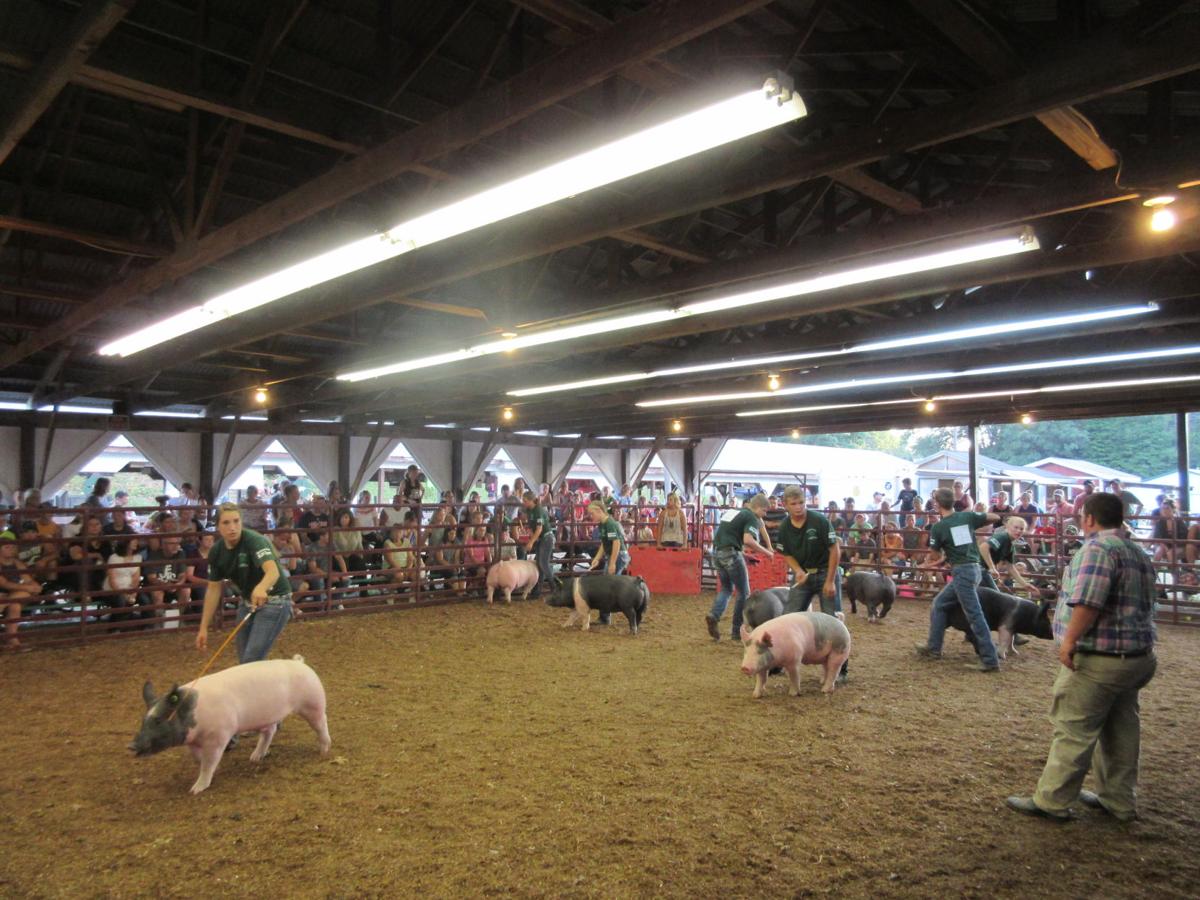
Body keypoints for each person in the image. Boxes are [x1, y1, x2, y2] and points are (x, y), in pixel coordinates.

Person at [1006, 493, 1157, 823]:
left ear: (1089, 518)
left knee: (1073, 726)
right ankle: (1118, 800)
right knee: (1121, 729)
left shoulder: (1097, 549)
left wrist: (1069, 641)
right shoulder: (1137, 550)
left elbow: (1088, 601)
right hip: (1136, 656)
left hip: (1100, 656)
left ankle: (1053, 801)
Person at [914, 487, 1004, 672]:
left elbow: (934, 553)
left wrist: (934, 559)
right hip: (973, 569)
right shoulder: (967, 517)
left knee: (974, 614)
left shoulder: (939, 527)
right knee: (940, 603)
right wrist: (978, 518)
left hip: (962, 572)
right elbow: (995, 518)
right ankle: (933, 647)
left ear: (937, 504)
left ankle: (990, 659)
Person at [198, 502, 292, 663]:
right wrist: (203, 627)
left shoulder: (254, 540)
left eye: (236, 521)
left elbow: (273, 571)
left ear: (241, 522)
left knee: (250, 660)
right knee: (245, 660)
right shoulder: (217, 552)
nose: (232, 527)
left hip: (275, 600)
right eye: (226, 523)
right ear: (218, 526)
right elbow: (213, 589)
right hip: (248, 601)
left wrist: (261, 587)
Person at [704, 493, 773, 642]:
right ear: (759, 508)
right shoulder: (751, 517)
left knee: (726, 589)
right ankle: (736, 631)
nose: (764, 515)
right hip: (731, 554)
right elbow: (748, 540)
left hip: (717, 553)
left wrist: (744, 556)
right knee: (744, 592)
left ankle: (714, 615)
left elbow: (728, 538)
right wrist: (768, 552)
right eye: (765, 511)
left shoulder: (734, 512)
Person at [0, 531, 39, 649]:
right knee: (17, 602)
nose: (10, 549)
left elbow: (28, 579)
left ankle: (12, 640)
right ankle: (12, 639)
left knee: (18, 601)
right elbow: (4, 583)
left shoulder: (17, 563)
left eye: (12, 547)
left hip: (9, 595)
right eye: (7, 547)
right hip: (5, 593)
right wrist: (29, 587)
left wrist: (33, 586)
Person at [980, 516, 1037, 595]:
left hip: (983, 570)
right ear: (1007, 527)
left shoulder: (1010, 546)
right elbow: (983, 547)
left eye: (1021, 529)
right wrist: (992, 567)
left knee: (993, 596)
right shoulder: (1002, 537)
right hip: (978, 568)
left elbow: (1010, 567)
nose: (1018, 531)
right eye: (1016, 527)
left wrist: (1024, 584)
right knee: (993, 596)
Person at [521, 490, 555, 597]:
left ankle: (554, 587)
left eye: (525, 500)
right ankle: (538, 590)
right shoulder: (530, 510)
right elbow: (533, 526)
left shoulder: (538, 511)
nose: (524, 502)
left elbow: (539, 529)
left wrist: (531, 542)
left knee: (543, 563)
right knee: (541, 564)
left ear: (532, 500)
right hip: (542, 538)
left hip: (546, 537)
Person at [586, 500, 629, 576]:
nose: (591, 516)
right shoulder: (602, 524)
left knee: (611, 580)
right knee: (609, 579)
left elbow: (616, 543)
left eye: (592, 514)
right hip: (614, 554)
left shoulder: (609, 524)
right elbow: (604, 543)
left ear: (599, 511)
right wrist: (597, 558)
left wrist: (612, 563)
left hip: (618, 554)